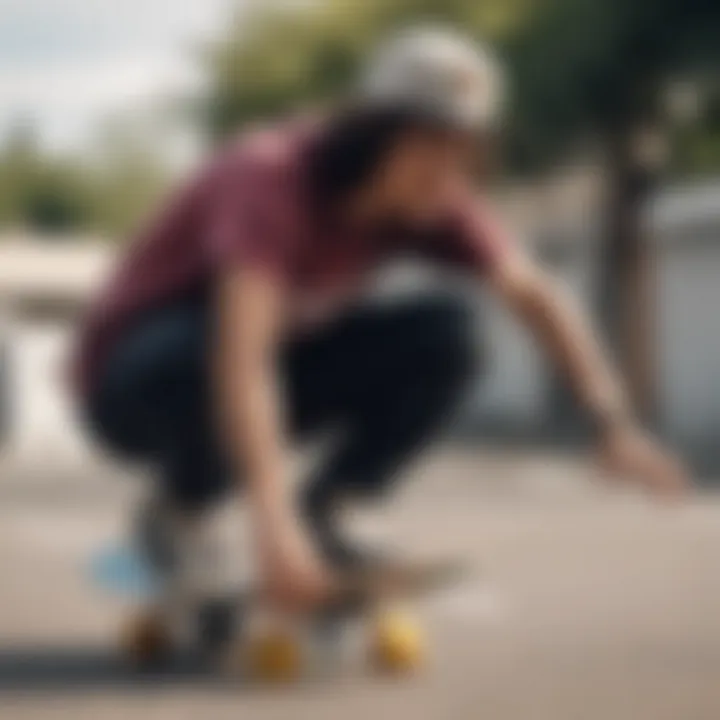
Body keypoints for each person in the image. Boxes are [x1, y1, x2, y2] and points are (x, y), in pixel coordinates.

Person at [73, 27, 687, 615]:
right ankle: (182, 514)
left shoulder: (435, 202)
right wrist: (272, 530)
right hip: (131, 380)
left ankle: (335, 510)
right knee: (205, 357)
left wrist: (611, 421)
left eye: (464, 152)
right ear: (372, 135)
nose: (447, 172)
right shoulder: (269, 177)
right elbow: (244, 360)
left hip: (264, 370)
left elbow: (535, 295)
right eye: (428, 147)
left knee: (447, 333)